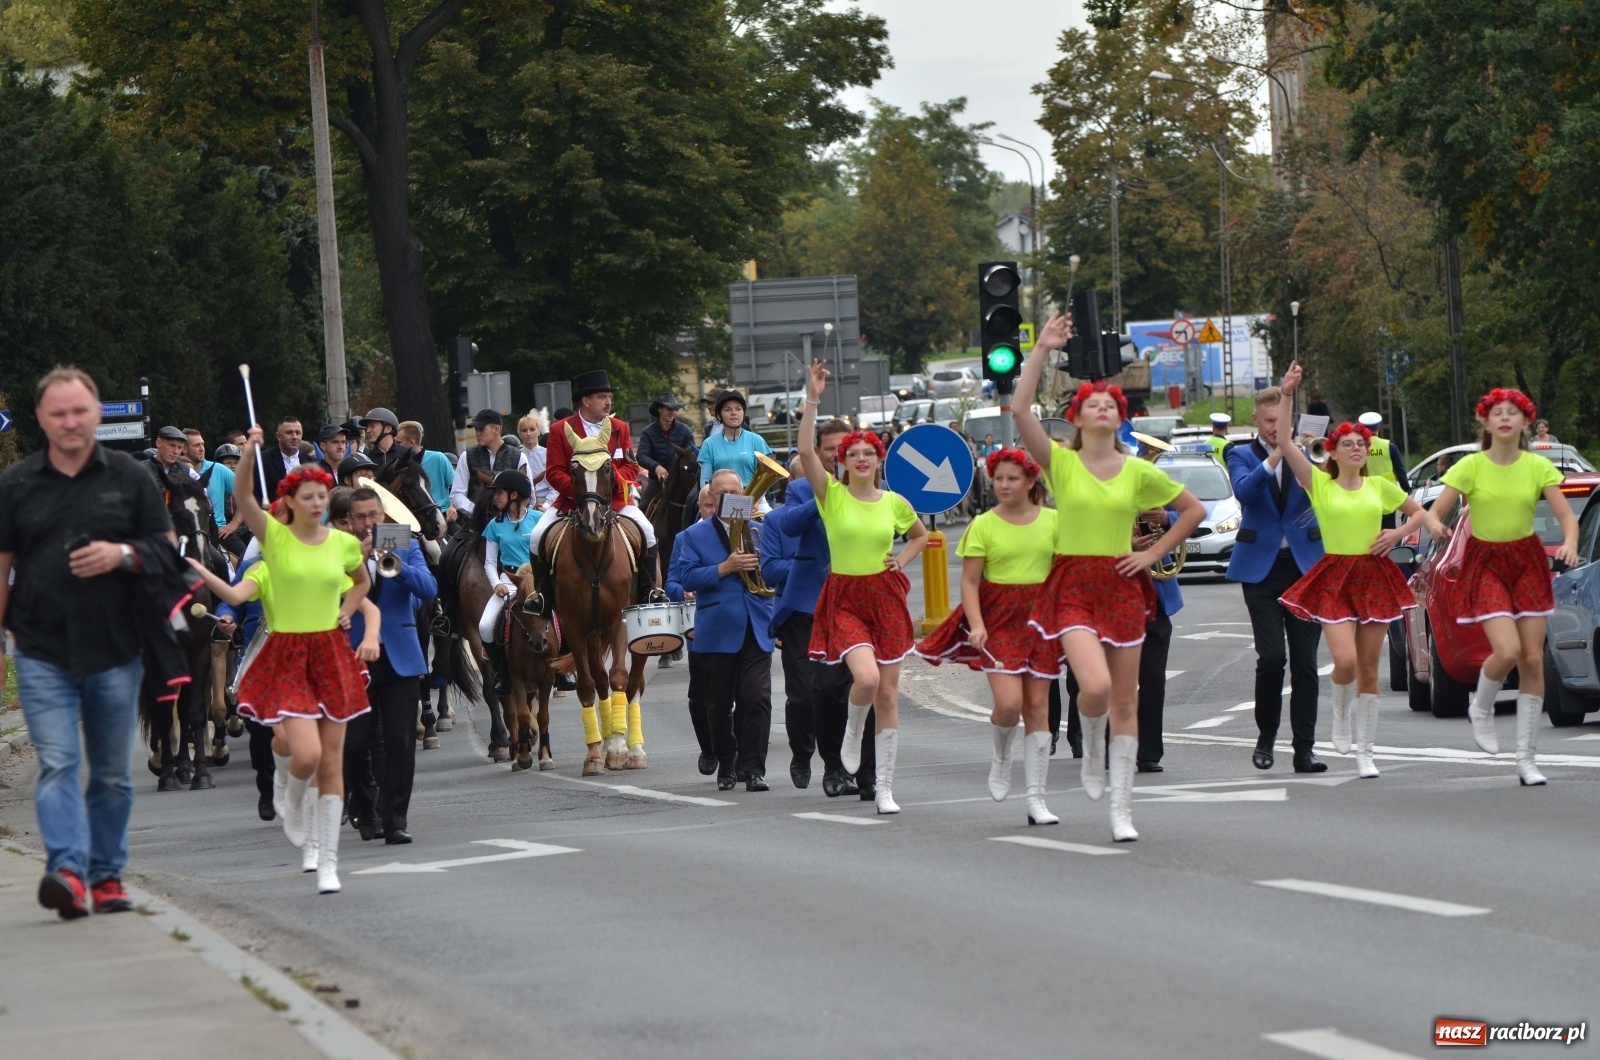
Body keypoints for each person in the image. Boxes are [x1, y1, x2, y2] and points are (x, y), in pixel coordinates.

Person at [1012, 314, 1204, 842]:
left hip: (1121, 582)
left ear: (1120, 418)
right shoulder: (1061, 463)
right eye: (1093, 403)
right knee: (1091, 688)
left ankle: (1122, 809)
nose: (1103, 407)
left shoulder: (1139, 471)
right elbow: (1020, 408)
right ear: (1077, 415)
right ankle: (1090, 741)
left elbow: (1192, 511)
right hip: (1072, 582)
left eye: (1111, 404)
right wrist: (1044, 350)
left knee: (1126, 697)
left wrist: (1151, 556)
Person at [0, 367, 177, 919]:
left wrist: (121, 555)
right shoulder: (15, 484)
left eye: (79, 411)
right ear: (40, 420)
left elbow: (167, 550)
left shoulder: (130, 477)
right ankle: (68, 873)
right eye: (58, 413)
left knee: (107, 773)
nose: (70, 422)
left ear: (97, 413)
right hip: (39, 648)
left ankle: (105, 876)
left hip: (115, 649)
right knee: (56, 761)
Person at [191, 430, 377, 894]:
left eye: (321, 497)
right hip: (288, 653)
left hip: (331, 653)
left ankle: (328, 860)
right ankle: (290, 799)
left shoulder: (343, 543)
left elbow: (360, 584)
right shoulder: (273, 540)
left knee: (332, 761)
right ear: (290, 501)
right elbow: (241, 495)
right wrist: (251, 449)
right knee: (307, 753)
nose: (318, 503)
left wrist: (351, 610)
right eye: (308, 497)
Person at [1275, 367, 1442, 778]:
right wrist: (1286, 395)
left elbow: (1420, 513)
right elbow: (1282, 441)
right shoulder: (1319, 483)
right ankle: (1339, 715)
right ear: (1331, 452)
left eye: (1360, 445)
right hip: (1334, 574)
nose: (1355, 449)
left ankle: (1366, 752)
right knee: (1345, 662)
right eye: (1346, 444)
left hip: (1374, 575)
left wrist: (1396, 533)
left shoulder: (1380, 485)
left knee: (1370, 668)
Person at [797, 360, 929, 814]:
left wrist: (902, 559)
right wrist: (813, 397)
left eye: (867, 454)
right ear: (844, 462)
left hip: (886, 596)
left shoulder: (894, 501)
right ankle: (853, 730)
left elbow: (920, 537)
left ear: (877, 460)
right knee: (867, 679)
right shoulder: (831, 496)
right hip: (846, 597)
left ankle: (886, 787)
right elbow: (805, 452)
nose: (859, 460)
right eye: (852, 454)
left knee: (889, 695)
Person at [1430, 387, 1580, 786]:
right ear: (1485, 421)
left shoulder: (1537, 467)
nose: (1505, 418)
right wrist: (1434, 524)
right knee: (1508, 650)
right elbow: (1436, 511)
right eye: (1497, 412)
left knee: (1532, 659)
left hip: (1526, 562)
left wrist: (1568, 542)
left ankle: (1527, 758)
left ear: (1526, 421)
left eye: (1513, 412)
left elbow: (1567, 516)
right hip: (1487, 562)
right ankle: (1481, 706)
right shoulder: (1471, 467)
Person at [916, 447, 1063, 824]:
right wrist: (977, 624)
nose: (1003, 485)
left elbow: (1064, 574)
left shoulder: (1054, 521)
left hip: (1041, 619)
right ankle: (1001, 756)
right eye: (998, 478)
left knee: (1038, 707)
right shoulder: (983, 524)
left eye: (1012, 478)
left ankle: (1036, 798)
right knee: (1010, 704)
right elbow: (969, 581)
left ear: (1031, 481)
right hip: (999, 617)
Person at [759, 420, 870, 798]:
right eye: (830, 449)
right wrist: (825, 497)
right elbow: (788, 526)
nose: (840, 454)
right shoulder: (803, 489)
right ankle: (805, 753)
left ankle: (842, 767)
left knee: (849, 690)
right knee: (808, 694)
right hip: (807, 609)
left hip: (854, 609)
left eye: (848, 447)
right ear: (819, 454)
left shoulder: (872, 489)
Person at [1227, 385, 1329, 774]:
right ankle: (1266, 736)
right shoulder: (1239, 453)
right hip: (1261, 571)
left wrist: (1307, 456)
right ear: (1257, 420)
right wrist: (1277, 453)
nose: (1275, 427)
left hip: (1305, 569)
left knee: (1305, 663)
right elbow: (1245, 493)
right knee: (1272, 658)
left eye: (1280, 421)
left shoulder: (1310, 456)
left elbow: (1333, 490)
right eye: (1269, 422)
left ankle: (1305, 748)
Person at [340, 487, 436, 844]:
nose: (368, 523)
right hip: (354, 656)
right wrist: (356, 560)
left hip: (400, 656)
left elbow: (428, 588)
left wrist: (398, 569)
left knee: (400, 742)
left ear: (384, 516)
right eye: (361, 518)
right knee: (354, 743)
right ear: (350, 521)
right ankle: (365, 807)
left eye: (374, 516)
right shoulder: (339, 551)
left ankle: (395, 819)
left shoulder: (404, 544)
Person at [672, 469, 775, 791]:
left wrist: (766, 569)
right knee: (717, 704)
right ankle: (727, 763)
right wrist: (724, 568)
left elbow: (778, 573)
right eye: (723, 492)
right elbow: (685, 578)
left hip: (757, 625)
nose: (731, 496)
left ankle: (754, 768)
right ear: (713, 499)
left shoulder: (761, 531)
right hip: (717, 629)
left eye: (737, 491)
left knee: (756, 698)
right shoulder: (690, 536)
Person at [533, 371, 659, 599]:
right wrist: (585, 493)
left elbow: (631, 466)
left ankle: (649, 590)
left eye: (609, 397)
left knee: (648, 532)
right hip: (573, 501)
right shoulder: (560, 430)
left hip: (615, 499)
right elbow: (553, 471)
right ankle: (542, 597)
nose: (608, 401)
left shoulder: (621, 428)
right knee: (536, 535)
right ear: (586, 400)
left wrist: (608, 486)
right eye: (602, 396)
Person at [669, 489, 721, 773]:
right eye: (707, 506)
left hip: (730, 621)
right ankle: (707, 748)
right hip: (698, 627)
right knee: (699, 696)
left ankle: (735, 754)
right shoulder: (685, 537)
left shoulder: (739, 531)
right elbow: (672, 582)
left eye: (716, 505)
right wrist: (682, 590)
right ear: (698, 507)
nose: (712, 510)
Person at [477, 470, 536, 694]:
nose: (495, 498)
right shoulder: (494, 525)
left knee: (563, 620)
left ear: (514, 495)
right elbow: (490, 563)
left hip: (535, 583)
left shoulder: (538, 520)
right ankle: (502, 673)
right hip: (508, 582)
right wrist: (496, 584)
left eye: (499, 493)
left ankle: (561, 672)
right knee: (484, 626)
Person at [451, 409, 524, 518]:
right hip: (475, 524)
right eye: (476, 430)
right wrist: (477, 511)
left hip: (511, 522)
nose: (477, 433)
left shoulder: (519, 456)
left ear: (497, 429)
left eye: (482, 429)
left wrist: (512, 515)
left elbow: (528, 494)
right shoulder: (466, 456)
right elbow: (457, 494)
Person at [698, 390, 774, 488]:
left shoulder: (757, 440)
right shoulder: (708, 444)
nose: (734, 413)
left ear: (744, 412)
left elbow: (764, 477)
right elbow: (705, 481)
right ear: (719, 414)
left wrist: (756, 499)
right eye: (727, 409)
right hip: (720, 498)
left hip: (753, 496)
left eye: (738, 409)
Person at [637, 393, 699, 512]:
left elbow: (691, 456)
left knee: (697, 506)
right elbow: (641, 456)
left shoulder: (685, 430)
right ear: (660, 409)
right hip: (657, 481)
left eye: (675, 409)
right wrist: (656, 467)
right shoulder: (648, 432)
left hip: (681, 482)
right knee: (643, 508)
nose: (673, 412)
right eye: (669, 409)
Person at [395, 420, 457, 521]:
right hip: (412, 517)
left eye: (398, 442)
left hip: (442, 515)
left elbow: (457, 486)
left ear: (411, 443)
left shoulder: (438, 458)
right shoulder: (398, 464)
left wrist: (453, 507)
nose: (395, 446)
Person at [515, 411, 556, 511]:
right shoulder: (516, 456)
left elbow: (555, 486)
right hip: (522, 505)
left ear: (538, 431)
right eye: (524, 430)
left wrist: (546, 506)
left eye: (532, 429)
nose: (528, 434)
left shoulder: (549, 455)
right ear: (519, 433)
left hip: (547, 502)